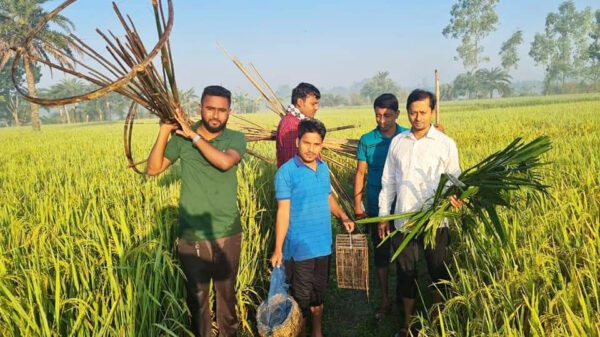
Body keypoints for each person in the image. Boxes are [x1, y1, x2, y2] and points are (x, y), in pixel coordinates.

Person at [146, 85, 247, 337]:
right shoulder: (181, 140)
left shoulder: (235, 138)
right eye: (210, 108)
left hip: (227, 230)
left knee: (226, 296)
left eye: (221, 110)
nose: (215, 115)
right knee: (197, 296)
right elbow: (153, 169)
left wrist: (193, 136)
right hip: (192, 232)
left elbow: (224, 162)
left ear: (229, 112)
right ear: (200, 108)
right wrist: (164, 131)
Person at [377, 89, 462, 337]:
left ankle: (437, 322)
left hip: (435, 221)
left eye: (423, 112)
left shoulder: (446, 144)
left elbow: (454, 178)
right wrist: (384, 214)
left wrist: (456, 197)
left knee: (438, 272)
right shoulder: (398, 142)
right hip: (404, 220)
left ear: (432, 112)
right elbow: (389, 181)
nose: (418, 117)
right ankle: (408, 325)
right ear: (408, 113)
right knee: (406, 274)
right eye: (413, 112)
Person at [270, 119, 355, 337]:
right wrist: (278, 248)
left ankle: (317, 333)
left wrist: (343, 216)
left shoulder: (323, 167)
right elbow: (283, 212)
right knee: (301, 298)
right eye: (306, 143)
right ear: (297, 141)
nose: (310, 149)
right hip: (299, 249)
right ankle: (298, 332)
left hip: (323, 245)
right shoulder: (286, 172)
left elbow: (327, 197)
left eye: (316, 144)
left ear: (322, 145)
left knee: (319, 295)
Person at [354, 93, 409, 320]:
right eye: (378, 115)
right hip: (377, 208)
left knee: (404, 255)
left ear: (397, 114)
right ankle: (385, 299)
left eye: (387, 115)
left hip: (405, 207)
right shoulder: (367, 140)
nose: (382, 120)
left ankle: (403, 298)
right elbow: (360, 172)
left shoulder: (407, 137)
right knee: (381, 254)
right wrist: (357, 204)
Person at [276, 82, 321, 167]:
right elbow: (296, 165)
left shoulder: (298, 122)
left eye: (317, 104)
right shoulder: (291, 126)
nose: (316, 108)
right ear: (300, 102)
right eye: (313, 104)